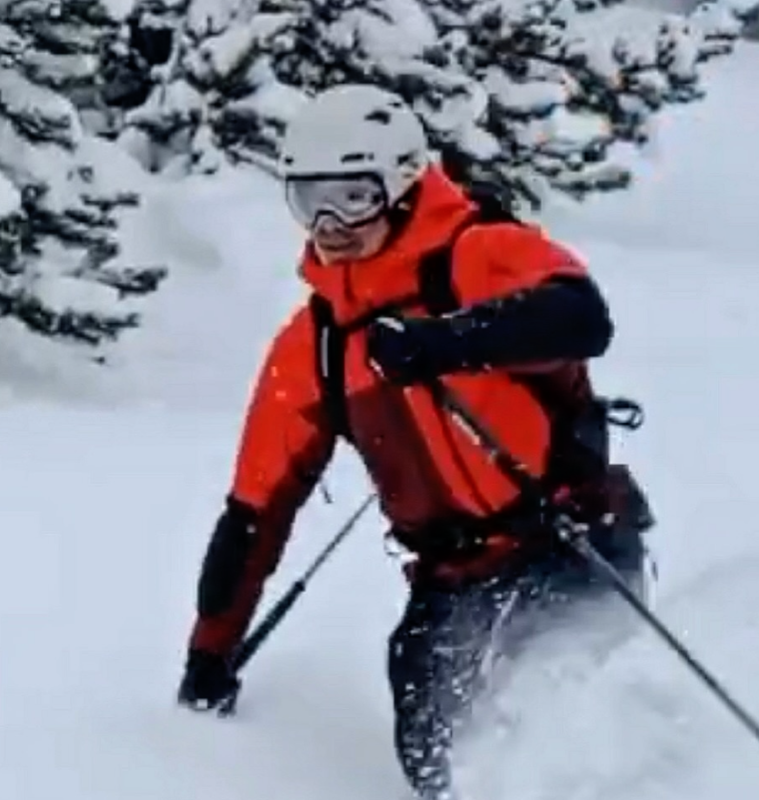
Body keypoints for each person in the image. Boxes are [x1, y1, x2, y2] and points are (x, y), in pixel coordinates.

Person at [176, 84, 651, 800]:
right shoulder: (318, 348)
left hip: (569, 535)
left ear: (400, 185)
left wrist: (445, 342)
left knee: (563, 714)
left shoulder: (481, 255)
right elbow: (255, 512)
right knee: (435, 752)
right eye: (309, 200)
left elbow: (580, 318)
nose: (330, 223)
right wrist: (210, 656)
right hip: (453, 574)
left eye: (352, 195)